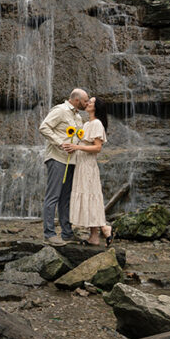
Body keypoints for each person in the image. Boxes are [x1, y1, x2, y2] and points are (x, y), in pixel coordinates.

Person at [38, 88, 89, 244]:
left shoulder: (78, 117)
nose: (87, 103)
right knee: (53, 196)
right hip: (57, 158)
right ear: (76, 100)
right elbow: (44, 127)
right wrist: (60, 143)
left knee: (65, 198)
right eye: (85, 101)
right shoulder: (60, 110)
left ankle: (67, 233)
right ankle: (49, 234)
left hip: (71, 160)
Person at [63, 96, 112, 246]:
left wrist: (77, 147)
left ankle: (104, 228)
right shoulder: (87, 124)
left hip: (88, 166)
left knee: (91, 196)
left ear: (96, 107)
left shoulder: (96, 123)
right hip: (81, 164)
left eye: (90, 102)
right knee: (89, 197)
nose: (87, 103)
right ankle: (95, 236)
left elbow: (97, 148)